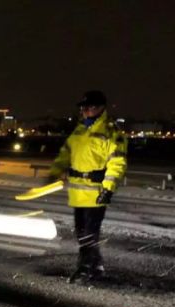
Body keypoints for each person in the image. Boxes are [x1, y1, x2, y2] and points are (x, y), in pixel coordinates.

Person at [47, 90, 128, 284]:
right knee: (82, 233)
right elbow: (65, 154)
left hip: (96, 192)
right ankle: (93, 265)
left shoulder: (111, 132)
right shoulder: (79, 130)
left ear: (101, 108)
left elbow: (117, 163)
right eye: (83, 107)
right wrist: (55, 171)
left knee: (89, 234)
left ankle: (87, 268)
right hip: (77, 192)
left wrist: (108, 188)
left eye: (89, 107)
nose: (85, 110)